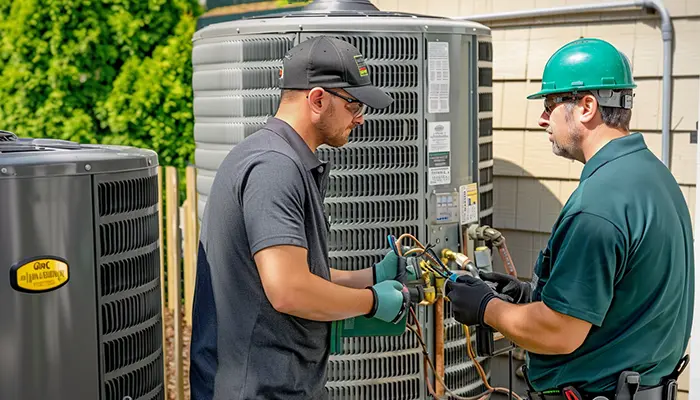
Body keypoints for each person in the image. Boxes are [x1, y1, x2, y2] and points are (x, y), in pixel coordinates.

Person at [445, 37, 694, 399]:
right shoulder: (653, 177)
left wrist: (487, 307)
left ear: (586, 107)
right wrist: (528, 296)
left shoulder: (598, 204)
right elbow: (623, 299)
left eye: (550, 104)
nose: (543, 118)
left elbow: (559, 332)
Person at [189, 36, 411, 400]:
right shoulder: (274, 168)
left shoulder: (275, 157)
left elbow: (281, 273)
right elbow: (289, 290)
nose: (361, 118)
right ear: (318, 99)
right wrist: (372, 300)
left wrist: (370, 276)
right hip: (260, 389)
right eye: (354, 104)